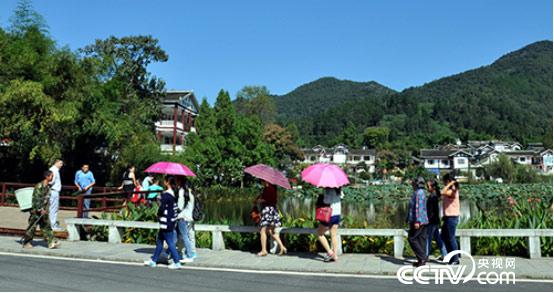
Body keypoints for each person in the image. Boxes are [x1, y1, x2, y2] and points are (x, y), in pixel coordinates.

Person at [144, 176, 181, 269]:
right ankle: (154, 260)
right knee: (160, 241)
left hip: (166, 222)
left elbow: (162, 208)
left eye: (164, 181)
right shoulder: (174, 193)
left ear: (167, 182)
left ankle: (177, 262)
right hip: (171, 221)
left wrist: (158, 211)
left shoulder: (166, 195)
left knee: (170, 242)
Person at [22, 170, 61, 249]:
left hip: (44, 211)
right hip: (36, 211)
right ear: (47, 177)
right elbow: (36, 199)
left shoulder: (48, 187)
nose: (52, 178)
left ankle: (51, 242)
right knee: (32, 227)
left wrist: (46, 209)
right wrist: (40, 209)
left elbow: (46, 199)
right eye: (51, 176)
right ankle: (26, 242)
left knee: (46, 226)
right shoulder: (39, 186)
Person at [254, 181, 287, 257]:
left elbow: (267, 199)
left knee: (262, 231)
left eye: (262, 180)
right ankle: (282, 247)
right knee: (270, 231)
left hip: (267, 210)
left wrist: (259, 200)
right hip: (273, 210)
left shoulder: (269, 188)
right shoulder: (273, 187)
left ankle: (264, 250)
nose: (261, 182)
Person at [407, 177, 429, 267]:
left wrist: (417, 221)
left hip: (418, 221)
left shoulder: (418, 193)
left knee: (412, 238)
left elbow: (418, 207)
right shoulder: (422, 192)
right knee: (421, 239)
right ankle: (421, 260)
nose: (412, 184)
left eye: (413, 182)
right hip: (423, 220)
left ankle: (422, 257)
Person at [316, 187, 342, 262]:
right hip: (337, 214)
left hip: (329, 214)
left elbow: (326, 201)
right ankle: (335, 255)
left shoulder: (329, 190)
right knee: (333, 235)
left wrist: (322, 195)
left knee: (319, 234)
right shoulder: (339, 190)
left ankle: (330, 252)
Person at [440, 173, 461, 265]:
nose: (443, 183)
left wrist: (450, 183)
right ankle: (451, 256)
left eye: (444, 181)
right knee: (443, 236)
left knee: (451, 238)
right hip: (448, 217)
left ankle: (455, 259)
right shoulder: (450, 189)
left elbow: (442, 192)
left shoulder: (453, 190)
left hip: (452, 217)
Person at [426, 179, 447, 261]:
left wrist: (428, 220)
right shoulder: (434, 195)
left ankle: (425, 256)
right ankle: (445, 254)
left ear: (433, 187)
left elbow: (432, 211)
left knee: (428, 238)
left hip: (432, 221)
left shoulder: (433, 196)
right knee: (438, 239)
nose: (427, 188)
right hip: (435, 220)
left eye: (428, 186)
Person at [175, 178, 195, 263]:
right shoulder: (192, 192)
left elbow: (179, 207)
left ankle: (189, 255)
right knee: (187, 236)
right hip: (190, 217)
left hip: (182, 217)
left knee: (183, 236)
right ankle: (190, 253)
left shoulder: (182, 192)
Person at [48, 159, 63, 231]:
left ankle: (53, 224)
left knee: (54, 208)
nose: (61, 165)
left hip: (54, 191)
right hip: (54, 191)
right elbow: (51, 181)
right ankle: (52, 225)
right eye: (60, 163)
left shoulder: (55, 170)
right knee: (53, 209)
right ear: (56, 163)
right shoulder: (54, 170)